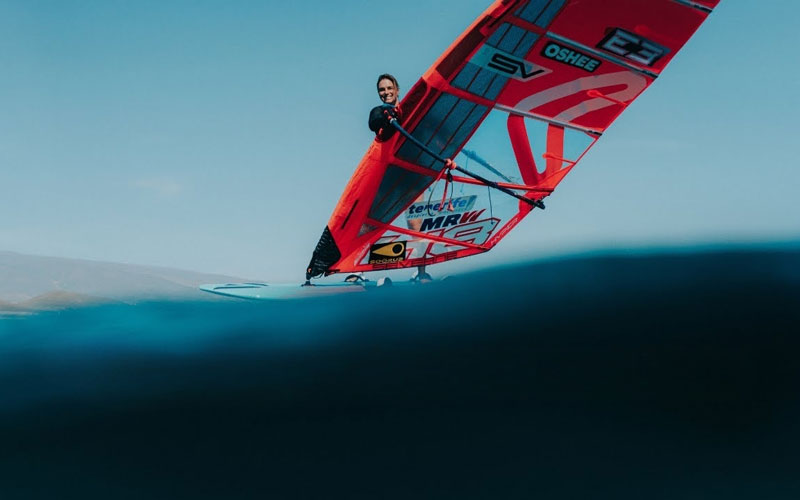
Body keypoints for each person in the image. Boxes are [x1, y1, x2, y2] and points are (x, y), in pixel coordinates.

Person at [368, 74, 432, 282]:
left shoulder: (409, 110)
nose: (385, 92)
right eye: (381, 90)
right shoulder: (381, 113)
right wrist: (381, 117)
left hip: (412, 175)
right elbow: (373, 120)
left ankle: (422, 274)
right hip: (391, 175)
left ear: (397, 89)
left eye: (389, 88)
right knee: (368, 221)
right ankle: (358, 273)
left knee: (416, 226)